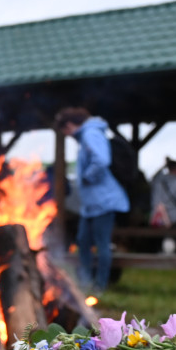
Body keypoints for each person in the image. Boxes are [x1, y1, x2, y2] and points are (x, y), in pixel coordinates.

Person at [55, 107, 129, 294]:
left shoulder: (91, 134)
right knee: (83, 241)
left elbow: (102, 160)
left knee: (101, 243)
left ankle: (100, 286)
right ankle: (85, 282)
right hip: (91, 205)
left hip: (103, 201)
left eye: (64, 131)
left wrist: (88, 177)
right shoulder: (88, 135)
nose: (66, 135)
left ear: (69, 125)